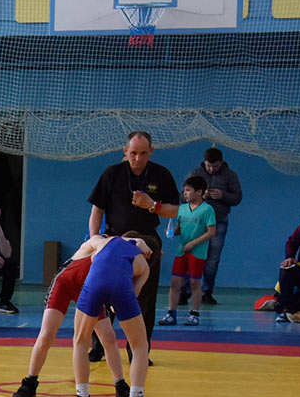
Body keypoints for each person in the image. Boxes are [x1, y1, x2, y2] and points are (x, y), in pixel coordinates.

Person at [11, 238, 131, 397]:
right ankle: (30, 382)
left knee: (108, 337)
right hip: (64, 284)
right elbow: (113, 242)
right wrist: (137, 242)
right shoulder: (98, 241)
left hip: (90, 289)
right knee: (46, 335)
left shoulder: (120, 262)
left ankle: (120, 384)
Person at [87, 131, 178, 339]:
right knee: (105, 293)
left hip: (148, 240)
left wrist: (153, 205)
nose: (138, 158)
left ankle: (139, 349)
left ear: (151, 151)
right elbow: (97, 209)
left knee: (145, 299)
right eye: (133, 153)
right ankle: (98, 346)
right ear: (126, 151)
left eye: (144, 153)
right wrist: (94, 240)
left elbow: (174, 210)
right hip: (113, 241)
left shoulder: (161, 174)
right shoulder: (112, 173)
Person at [67, 234, 162, 397]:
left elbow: (93, 251)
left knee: (80, 341)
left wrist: (136, 241)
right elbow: (133, 294)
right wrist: (115, 301)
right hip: (121, 287)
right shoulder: (144, 266)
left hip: (94, 282)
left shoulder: (107, 241)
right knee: (139, 345)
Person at [161, 176, 216, 326]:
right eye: (184, 190)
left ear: (199, 192)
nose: (184, 193)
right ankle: (171, 313)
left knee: (194, 283)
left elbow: (211, 231)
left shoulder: (207, 209)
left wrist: (193, 243)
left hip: (198, 252)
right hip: (181, 251)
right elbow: (179, 229)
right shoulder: (182, 209)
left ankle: (194, 313)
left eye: (188, 190)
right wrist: (172, 232)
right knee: (175, 283)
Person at [192, 147, 242, 304]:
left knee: (212, 259)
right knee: (192, 256)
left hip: (218, 222)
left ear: (221, 162)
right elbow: (183, 196)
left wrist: (223, 195)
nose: (212, 169)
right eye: (209, 166)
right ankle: (185, 292)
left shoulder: (230, 175)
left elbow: (237, 197)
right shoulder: (196, 174)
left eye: (215, 166)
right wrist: (201, 196)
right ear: (204, 162)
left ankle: (207, 292)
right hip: (197, 222)